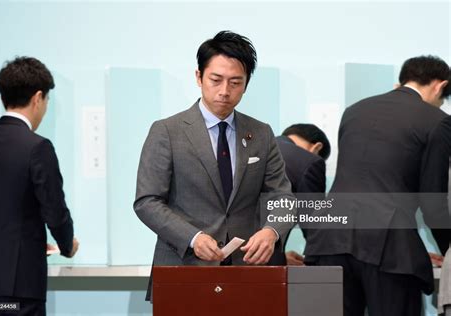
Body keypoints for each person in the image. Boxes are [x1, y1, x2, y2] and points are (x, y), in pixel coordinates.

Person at [134, 31, 295, 300]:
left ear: (246, 84)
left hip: (247, 270)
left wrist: (272, 231)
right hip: (183, 267)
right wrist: (193, 237)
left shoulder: (261, 133)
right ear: (199, 77)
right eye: (216, 80)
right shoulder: (167, 131)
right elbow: (147, 201)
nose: (224, 91)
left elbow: (283, 197)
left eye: (235, 82)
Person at [304, 55, 450, 316]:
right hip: (387, 248)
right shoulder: (436, 121)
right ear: (440, 85)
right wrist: (449, 250)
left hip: (328, 239)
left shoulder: (355, 110)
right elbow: (432, 202)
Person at [0, 57, 78, 315]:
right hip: (19, 290)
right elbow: (54, 212)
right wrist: (67, 245)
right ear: (38, 97)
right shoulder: (37, 148)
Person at [270, 123, 331, 265]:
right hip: (262, 266)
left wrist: (281, 258)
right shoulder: (308, 162)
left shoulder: (257, 148)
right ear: (317, 148)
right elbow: (314, 230)